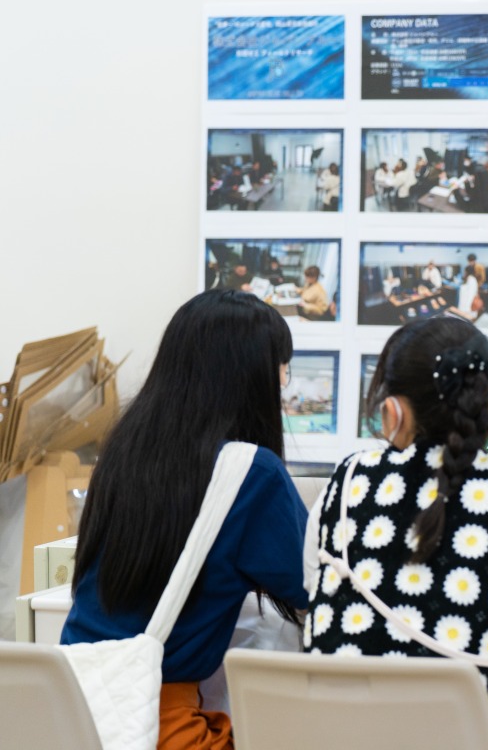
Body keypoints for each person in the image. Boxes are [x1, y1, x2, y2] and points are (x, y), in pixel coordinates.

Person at [304, 317, 488, 750]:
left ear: (391, 412)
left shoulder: (346, 481)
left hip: (336, 736)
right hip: (472, 735)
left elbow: (316, 601)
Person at [62, 290, 307, 749]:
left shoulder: (123, 452)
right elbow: (313, 588)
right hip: (162, 723)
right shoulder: (252, 473)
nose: (282, 381)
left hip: (74, 710)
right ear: (252, 376)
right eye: (281, 367)